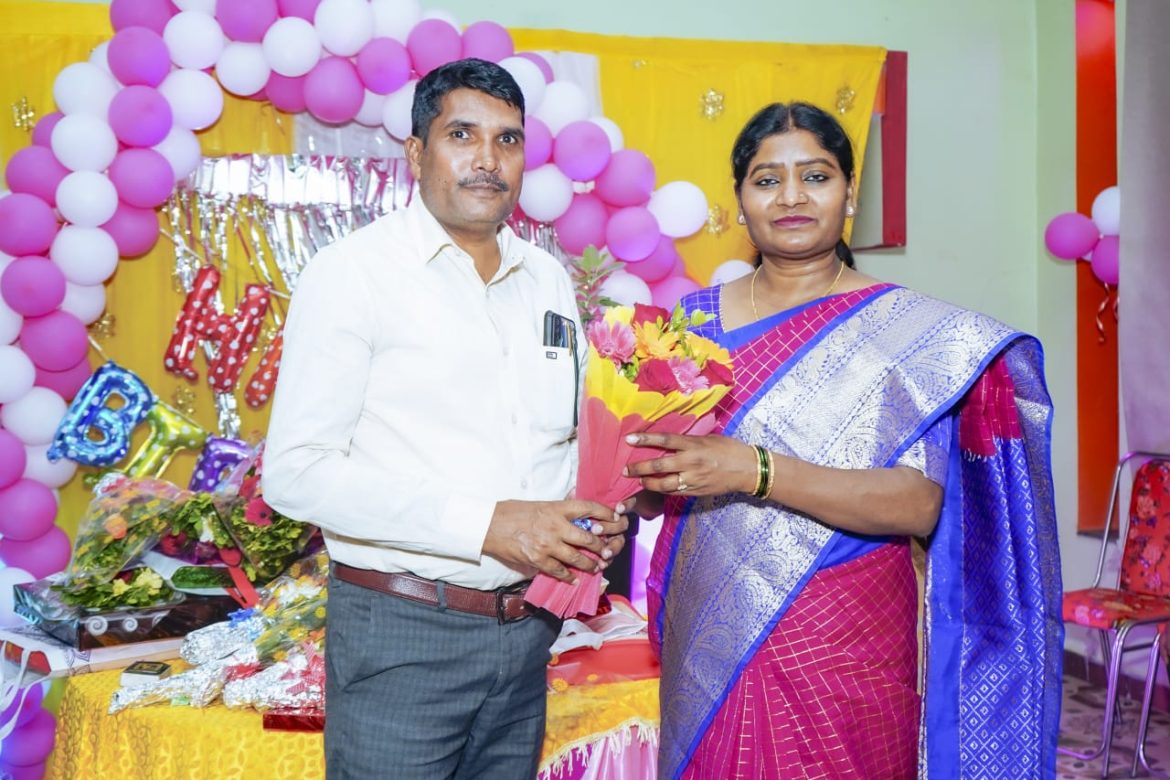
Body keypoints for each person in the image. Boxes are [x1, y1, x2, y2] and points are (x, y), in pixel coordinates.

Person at [624, 102, 1063, 779]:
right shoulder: (690, 323)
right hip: (710, 624)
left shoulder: (905, 332)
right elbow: (661, 486)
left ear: (850, 194)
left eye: (816, 176)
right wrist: (635, 479)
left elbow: (918, 505)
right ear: (739, 202)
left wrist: (755, 470)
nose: (791, 196)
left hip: (845, 630)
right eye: (767, 180)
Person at [262, 58, 628, 780]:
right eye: (462, 135)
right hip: (404, 635)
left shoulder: (546, 279)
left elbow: (560, 441)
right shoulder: (355, 273)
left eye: (507, 140)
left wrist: (595, 513)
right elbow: (296, 473)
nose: (487, 159)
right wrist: (486, 524)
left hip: (528, 633)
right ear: (416, 152)